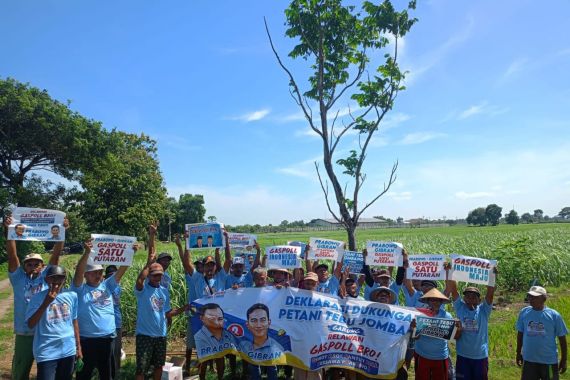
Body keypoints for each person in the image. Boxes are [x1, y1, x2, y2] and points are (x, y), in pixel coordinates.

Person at [4, 215, 66, 380]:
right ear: (24, 266)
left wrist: (62, 233)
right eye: (29, 264)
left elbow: (56, 256)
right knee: (20, 372)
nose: (33, 267)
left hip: (44, 332)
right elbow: (12, 256)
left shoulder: (47, 277)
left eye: (36, 264)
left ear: (42, 266)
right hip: (25, 332)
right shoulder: (18, 279)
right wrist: (9, 231)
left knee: (46, 371)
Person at [71, 239, 129, 380]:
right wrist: (87, 253)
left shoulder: (107, 285)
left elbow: (122, 269)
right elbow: (78, 272)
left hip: (107, 339)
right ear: (86, 274)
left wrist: (130, 252)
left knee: (106, 373)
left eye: (100, 272)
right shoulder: (80, 289)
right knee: (84, 374)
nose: (97, 275)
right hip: (87, 340)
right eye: (93, 272)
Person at [134, 225, 185, 380]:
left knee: (159, 366)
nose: (158, 278)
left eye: (160, 275)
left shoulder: (164, 291)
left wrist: (183, 308)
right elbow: (140, 279)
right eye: (155, 275)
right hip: (145, 335)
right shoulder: (142, 290)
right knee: (141, 368)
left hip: (161, 335)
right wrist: (152, 236)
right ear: (150, 275)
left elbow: (167, 312)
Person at [25, 265, 80, 380]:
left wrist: (78, 347)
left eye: (60, 278)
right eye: (53, 278)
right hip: (47, 351)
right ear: (46, 279)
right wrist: (46, 302)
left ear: (64, 279)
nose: (56, 281)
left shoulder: (71, 296)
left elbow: (74, 321)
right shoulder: (36, 298)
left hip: (68, 350)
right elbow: (30, 324)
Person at [446, 269, 497, 380]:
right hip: (463, 355)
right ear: (464, 298)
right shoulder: (460, 307)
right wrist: (450, 272)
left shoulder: (484, 310)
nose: (470, 299)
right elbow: (454, 290)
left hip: (480, 356)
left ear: (479, 300)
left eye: (474, 297)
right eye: (468, 296)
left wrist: (492, 275)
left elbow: (490, 294)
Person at [516, 286, 568, 380]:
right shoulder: (524, 312)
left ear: (544, 299)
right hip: (529, 360)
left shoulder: (554, 315)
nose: (531, 299)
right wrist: (518, 352)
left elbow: (562, 339)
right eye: (530, 296)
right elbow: (520, 334)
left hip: (549, 361)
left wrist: (564, 360)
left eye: (535, 297)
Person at [413, 288, 462, 380]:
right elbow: (416, 337)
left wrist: (458, 328)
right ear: (427, 301)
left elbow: (455, 337)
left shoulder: (447, 316)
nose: (435, 302)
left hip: (440, 356)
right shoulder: (420, 315)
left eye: (438, 300)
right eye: (432, 300)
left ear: (441, 302)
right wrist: (413, 328)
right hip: (423, 355)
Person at [239, 303, 285, 380]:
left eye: (263, 320)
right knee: (253, 365)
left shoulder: (278, 346)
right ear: (248, 324)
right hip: (251, 349)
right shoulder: (243, 345)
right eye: (254, 320)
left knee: (272, 366)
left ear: (269, 322)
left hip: (271, 350)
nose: (259, 325)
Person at [195, 303, 238, 380]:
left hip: (219, 335)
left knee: (220, 358)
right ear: (202, 318)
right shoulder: (200, 336)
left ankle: (220, 378)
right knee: (203, 360)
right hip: (205, 337)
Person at [293, 272, 322, 380]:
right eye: (307, 282)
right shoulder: (296, 296)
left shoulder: (324, 299)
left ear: (317, 284)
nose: (309, 285)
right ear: (304, 283)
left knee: (315, 367)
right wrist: (282, 290)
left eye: (312, 283)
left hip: (316, 339)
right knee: (300, 365)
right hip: (300, 337)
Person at [105, 265, 124, 380]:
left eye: (115, 276)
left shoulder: (118, 287)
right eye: (111, 276)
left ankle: (116, 372)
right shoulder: (104, 287)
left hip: (117, 321)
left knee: (117, 350)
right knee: (108, 351)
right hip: (107, 324)